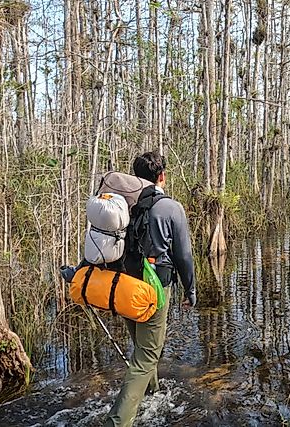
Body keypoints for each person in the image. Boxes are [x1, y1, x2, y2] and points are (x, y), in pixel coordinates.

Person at [104, 151, 197, 427]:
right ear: (162, 177)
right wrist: (191, 290)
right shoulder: (171, 208)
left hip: (122, 285)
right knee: (146, 356)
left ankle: (152, 393)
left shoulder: (122, 204)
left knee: (141, 345)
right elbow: (184, 256)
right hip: (153, 289)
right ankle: (117, 422)